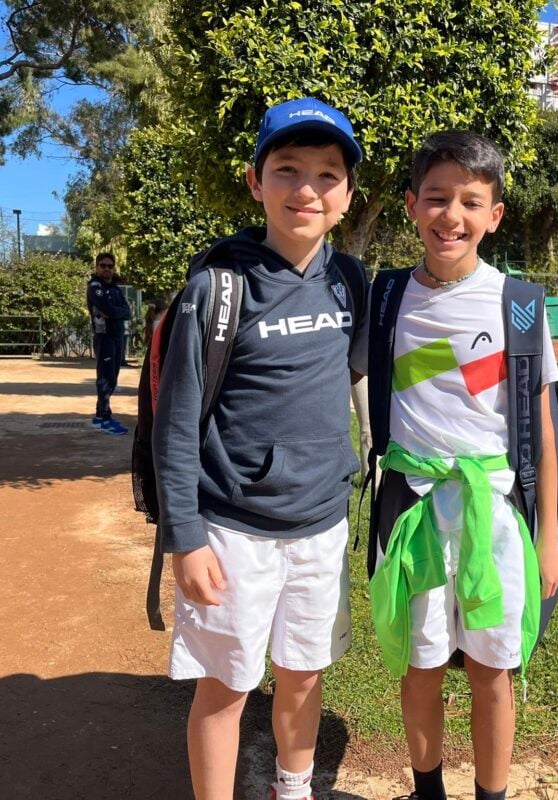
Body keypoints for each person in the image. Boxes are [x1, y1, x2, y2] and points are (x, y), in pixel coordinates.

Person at [151, 97, 366, 800]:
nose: (307, 189)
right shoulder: (217, 288)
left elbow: (357, 379)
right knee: (225, 687)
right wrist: (186, 538)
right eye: (288, 169)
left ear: (348, 194)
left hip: (321, 527)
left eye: (328, 174)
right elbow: (176, 425)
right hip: (232, 532)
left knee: (303, 677)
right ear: (255, 181)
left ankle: (291, 789)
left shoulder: (351, 281)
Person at [351, 131, 558, 800]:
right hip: (413, 510)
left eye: (471, 202)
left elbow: (544, 434)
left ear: (494, 215)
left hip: (494, 516)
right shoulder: (386, 298)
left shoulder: (519, 304)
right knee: (420, 668)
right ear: (412, 206)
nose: (452, 216)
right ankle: (428, 792)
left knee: (491, 672)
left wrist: (548, 536)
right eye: (436, 198)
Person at [87, 252, 131, 435]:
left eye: (110, 266)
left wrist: (115, 313)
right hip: (104, 337)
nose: (106, 269)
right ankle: (105, 417)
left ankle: (100, 416)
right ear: (97, 267)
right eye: (103, 265)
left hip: (117, 336)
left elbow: (127, 311)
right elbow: (109, 309)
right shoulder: (95, 287)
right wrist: (115, 312)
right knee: (106, 378)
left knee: (113, 376)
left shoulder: (115, 288)